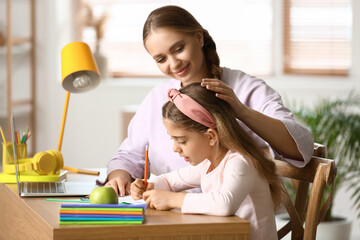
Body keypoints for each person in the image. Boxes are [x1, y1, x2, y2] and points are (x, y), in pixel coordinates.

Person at [105, 5, 314, 196]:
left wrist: (242, 112)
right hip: (171, 217)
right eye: (161, 59)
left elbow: (301, 148)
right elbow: (129, 155)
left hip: (235, 221)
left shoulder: (247, 89)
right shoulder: (158, 98)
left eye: (178, 49)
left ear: (198, 37)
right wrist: (119, 175)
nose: (174, 63)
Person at [131, 83, 283, 240]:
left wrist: (172, 199)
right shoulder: (208, 164)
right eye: (173, 140)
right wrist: (149, 185)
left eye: (181, 141)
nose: (175, 149)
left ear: (211, 137)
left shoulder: (240, 162)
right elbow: (170, 180)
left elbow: (224, 204)